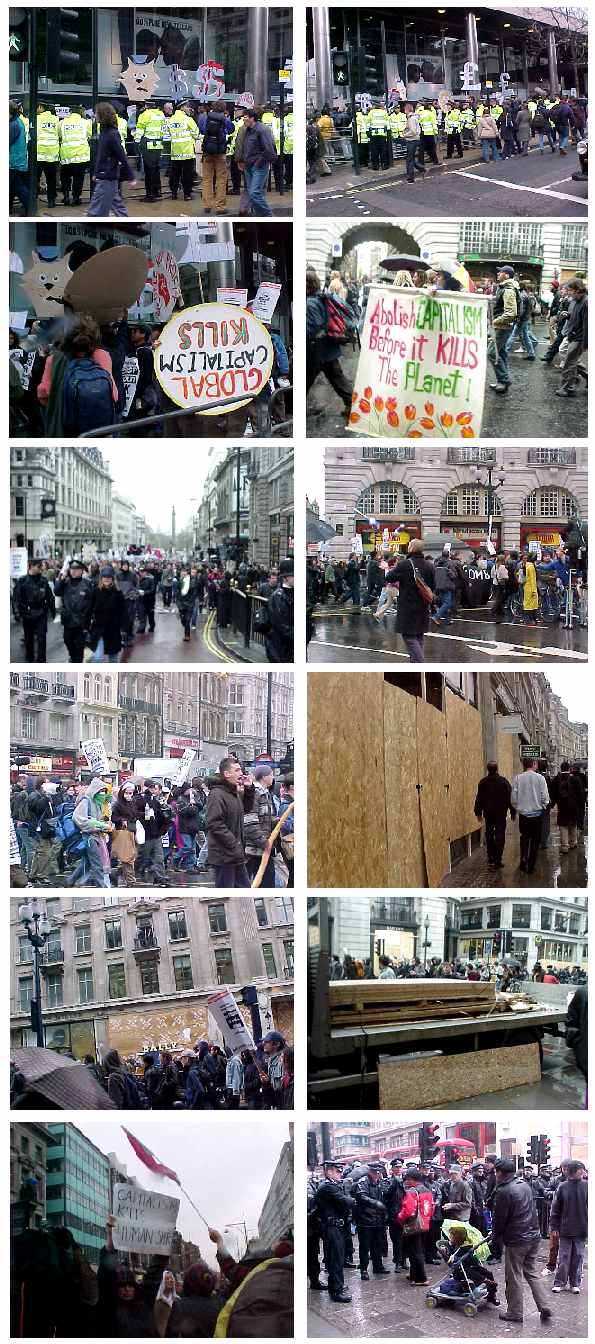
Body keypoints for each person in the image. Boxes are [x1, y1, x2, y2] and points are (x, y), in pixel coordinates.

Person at [491, 1157, 553, 1325]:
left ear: (501, 1173)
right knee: (531, 1272)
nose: (495, 1175)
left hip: (517, 1239)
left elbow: (500, 1219)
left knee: (514, 1276)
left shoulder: (504, 1191)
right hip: (533, 1235)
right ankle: (544, 1305)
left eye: (496, 1171)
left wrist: (495, 1237)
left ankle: (515, 1312)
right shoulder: (523, 1184)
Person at [206, 757, 250, 887]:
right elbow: (214, 823)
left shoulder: (233, 792)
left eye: (240, 770)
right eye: (236, 770)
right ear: (226, 774)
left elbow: (246, 809)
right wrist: (233, 842)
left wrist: (249, 790)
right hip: (224, 855)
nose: (241, 773)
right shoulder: (217, 794)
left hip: (236, 853)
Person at [314, 1161, 354, 1303]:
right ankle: (336, 1291)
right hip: (331, 1227)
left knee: (338, 1258)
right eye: (338, 1171)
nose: (340, 1173)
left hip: (337, 1227)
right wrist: (350, 1194)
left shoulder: (333, 1185)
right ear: (329, 1172)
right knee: (335, 1259)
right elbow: (345, 1202)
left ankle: (339, 1285)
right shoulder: (327, 1186)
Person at [87, 102, 136, 217]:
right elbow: (102, 156)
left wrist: (130, 176)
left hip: (107, 176)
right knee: (118, 208)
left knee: (95, 212)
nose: (94, 115)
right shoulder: (105, 132)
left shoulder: (111, 134)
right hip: (106, 175)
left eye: (96, 113)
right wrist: (96, 173)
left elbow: (121, 156)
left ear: (102, 115)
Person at [549, 1161, 587, 1294]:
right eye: (580, 1170)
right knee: (564, 1257)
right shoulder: (562, 1187)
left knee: (578, 1257)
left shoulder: (587, 1186)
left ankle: (575, 1283)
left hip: (582, 1229)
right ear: (572, 1171)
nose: (582, 1172)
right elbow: (555, 1208)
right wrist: (554, 1226)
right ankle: (559, 1282)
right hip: (565, 1228)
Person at [393, 539, 435, 662]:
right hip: (423, 605)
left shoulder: (404, 564)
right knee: (419, 635)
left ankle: (419, 664)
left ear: (411, 548)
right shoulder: (430, 565)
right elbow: (433, 586)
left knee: (409, 636)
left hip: (408, 606)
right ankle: (415, 664)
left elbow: (389, 577)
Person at [511, 758, 550, 874]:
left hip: (524, 815)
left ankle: (523, 858)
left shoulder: (518, 778)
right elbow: (545, 796)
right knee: (535, 840)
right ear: (533, 764)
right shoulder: (540, 778)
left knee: (524, 837)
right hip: (537, 814)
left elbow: (513, 797)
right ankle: (531, 865)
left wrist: (518, 808)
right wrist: (544, 805)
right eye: (536, 763)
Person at [13, 557, 56, 662]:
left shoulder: (43, 581)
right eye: (39, 566)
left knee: (42, 639)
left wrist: (53, 611)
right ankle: (29, 659)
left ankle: (41, 661)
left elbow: (50, 597)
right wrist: (17, 613)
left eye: (41, 565)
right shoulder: (22, 581)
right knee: (29, 639)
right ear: (31, 566)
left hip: (41, 613)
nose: (41, 568)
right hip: (27, 614)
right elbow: (16, 599)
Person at [474, 761, 515, 869]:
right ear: (497, 769)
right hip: (501, 814)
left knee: (489, 834)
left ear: (488, 769)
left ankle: (491, 857)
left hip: (488, 813)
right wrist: (513, 812)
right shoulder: (503, 782)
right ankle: (498, 859)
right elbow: (509, 798)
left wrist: (478, 812)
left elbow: (479, 798)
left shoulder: (483, 782)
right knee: (500, 835)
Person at [397, 1167, 434, 1286]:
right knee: (418, 1250)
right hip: (424, 1224)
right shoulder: (427, 1190)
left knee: (414, 1252)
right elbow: (431, 1208)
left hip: (413, 1225)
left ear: (413, 1180)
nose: (406, 1181)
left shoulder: (412, 1192)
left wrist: (399, 1218)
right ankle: (414, 1274)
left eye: (408, 1179)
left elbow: (407, 1210)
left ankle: (421, 1278)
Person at [488, 265, 521, 394]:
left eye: (500, 272)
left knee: (492, 353)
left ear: (506, 275)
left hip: (502, 326)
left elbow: (511, 313)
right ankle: (502, 380)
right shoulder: (504, 287)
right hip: (501, 326)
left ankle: (504, 380)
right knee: (501, 353)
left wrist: (494, 322)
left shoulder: (508, 289)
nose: (497, 274)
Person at [238, 107, 277, 216]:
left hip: (258, 166)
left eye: (245, 117)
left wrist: (258, 164)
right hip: (248, 166)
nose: (243, 120)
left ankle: (269, 216)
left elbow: (269, 150)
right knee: (253, 194)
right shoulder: (247, 130)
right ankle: (259, 216)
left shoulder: (262, 130)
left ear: (252, 118)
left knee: (254, 193)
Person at [54, 557, 93, 663]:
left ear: (81, 570)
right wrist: (62, 577)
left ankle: (77, 662)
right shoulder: (65, 583)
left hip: (81, 621)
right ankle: (73, 656)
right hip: (68, 620)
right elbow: (57, 591)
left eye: (76, 569)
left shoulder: (87, 584)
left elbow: (91, 602)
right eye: (72, 569)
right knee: (67, 640)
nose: (74, 571)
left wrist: (89, 620)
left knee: (80, 646)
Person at [355, 1163, 390, 1280]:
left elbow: (384, 1198)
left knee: (378, 1245)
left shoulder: (379, 1182)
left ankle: (378, 1266)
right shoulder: (363, 1182)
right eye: (375, 1172)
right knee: (365, 1247)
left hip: (378, 1220)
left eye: (378, 1173)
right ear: (370, 1171)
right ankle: (364, 1269)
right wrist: (375, 1203)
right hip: (365, 1220)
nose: (377, 1175)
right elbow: (361, 1196)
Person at [555, 276, 588, 398]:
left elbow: (587, 325)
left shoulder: (586, 302)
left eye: (570, 291)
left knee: (569, 363)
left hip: (579, 338)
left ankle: (567, 387)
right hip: (573, 335)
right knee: (572, 362)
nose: (568, 293)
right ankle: (574, 383)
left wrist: (585, 344)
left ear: (577, 290)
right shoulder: (576, 301)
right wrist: (568, 315)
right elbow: (576, 318)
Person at [199, 100, 233, 214]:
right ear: (223, 108)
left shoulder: (205, 116)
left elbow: (202, 130)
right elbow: (231, 129)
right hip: (220, 152)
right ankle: (220, 206)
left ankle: (207, 205)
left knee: (207, 179)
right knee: (221, 179)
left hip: (208, 151)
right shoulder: (224, 118)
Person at [88, 566, 126, 662]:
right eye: (105, 577)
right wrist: (85, 627)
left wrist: (125, 628)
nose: (107, 579)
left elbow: (124, 612)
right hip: (98, 630)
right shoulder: (95, 592)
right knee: (97, 658)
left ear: (113, 578)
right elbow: (88, 610)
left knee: (113, 659)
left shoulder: (118, 593)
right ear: (101, 578)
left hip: (113, 631)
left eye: (109, 577)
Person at [134, 99, 166, 202]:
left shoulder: (145, 115)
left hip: (148, 144)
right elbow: (164, 130)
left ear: (147, 106)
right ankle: (158, 192)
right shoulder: (161, 114)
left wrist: (137, 142)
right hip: (158, 145)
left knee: (149, 171)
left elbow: (139, 130)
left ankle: (150, 195)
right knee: (156, 169)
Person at [549, 760, 585, 853]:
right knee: (573, 824)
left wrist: (554, 803)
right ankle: (573, 843)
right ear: (569, 769)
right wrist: (581, 804)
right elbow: (581, 794)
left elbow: (552, 793)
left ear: (561, 769)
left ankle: (565, 846)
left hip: (562, 806)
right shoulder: (576, 779)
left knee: (563, 825)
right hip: (574, 806)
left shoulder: (557, 779)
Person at [59, 106, 91, 206]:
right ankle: (75, 198)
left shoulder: (62, 122)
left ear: (70, 112)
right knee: (78, 177)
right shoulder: (86, 122)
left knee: (65, 177)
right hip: (81, 155)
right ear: (81, 112)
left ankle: (66, 197)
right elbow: (90, 135)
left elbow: (59, 135)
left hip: (66, 154)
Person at [168, 102, 199, 202]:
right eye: (187, 107)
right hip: (187, 152)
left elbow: (169, 133)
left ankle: (173, 193)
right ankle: (187, 194)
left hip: (175, 152)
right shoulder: (188, 119)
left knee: (174, 174)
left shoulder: (171, 119)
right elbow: (196, 133)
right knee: (187, 174)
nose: (188, 108)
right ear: (182, 107)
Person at [265, 559, 294, 661]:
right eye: (293, 575)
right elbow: (282, 627)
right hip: (280, 650)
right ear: (285, 578)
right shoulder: (277, 598)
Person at [10, 102, 30, 213]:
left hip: (13, 161)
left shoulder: (14, 125)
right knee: (15, 186)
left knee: (17, 187)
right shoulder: (19, 122)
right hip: (18, 160)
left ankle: (29, 207)